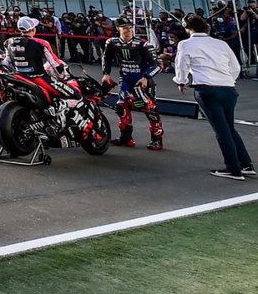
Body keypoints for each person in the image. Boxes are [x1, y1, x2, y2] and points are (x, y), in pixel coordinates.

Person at [173, 15, 254, 180]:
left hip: (207, 89)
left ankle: (233, 168)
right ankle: (246, 164)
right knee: (229, 127)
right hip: (228, 89)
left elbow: (181, 65)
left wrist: (181, 81)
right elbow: (235, 67)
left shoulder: (185, 44)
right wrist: (228, 80)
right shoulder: (221, 44)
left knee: (221, 130)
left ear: (188, 28)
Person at [102, 22, 164, 150]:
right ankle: (126, 138)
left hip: (141, 81)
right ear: (118, 28)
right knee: (121, 107)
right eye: (125, 28)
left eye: (130, 27)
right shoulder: (112, 42)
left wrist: (146, 77)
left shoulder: (143, 44)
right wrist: (106, 74)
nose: (128, 30)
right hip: (125, 80)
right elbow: (106, 58)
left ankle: (157, 140)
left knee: (150, 109)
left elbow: (158, 64)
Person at [4, 15, 77, 102]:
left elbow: (7, 63)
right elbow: (55, 64)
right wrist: (64, 75)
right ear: (33, 29)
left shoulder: (8, 42)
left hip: (19, 77)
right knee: (75, 94)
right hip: (38, 78)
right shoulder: (41, 42)